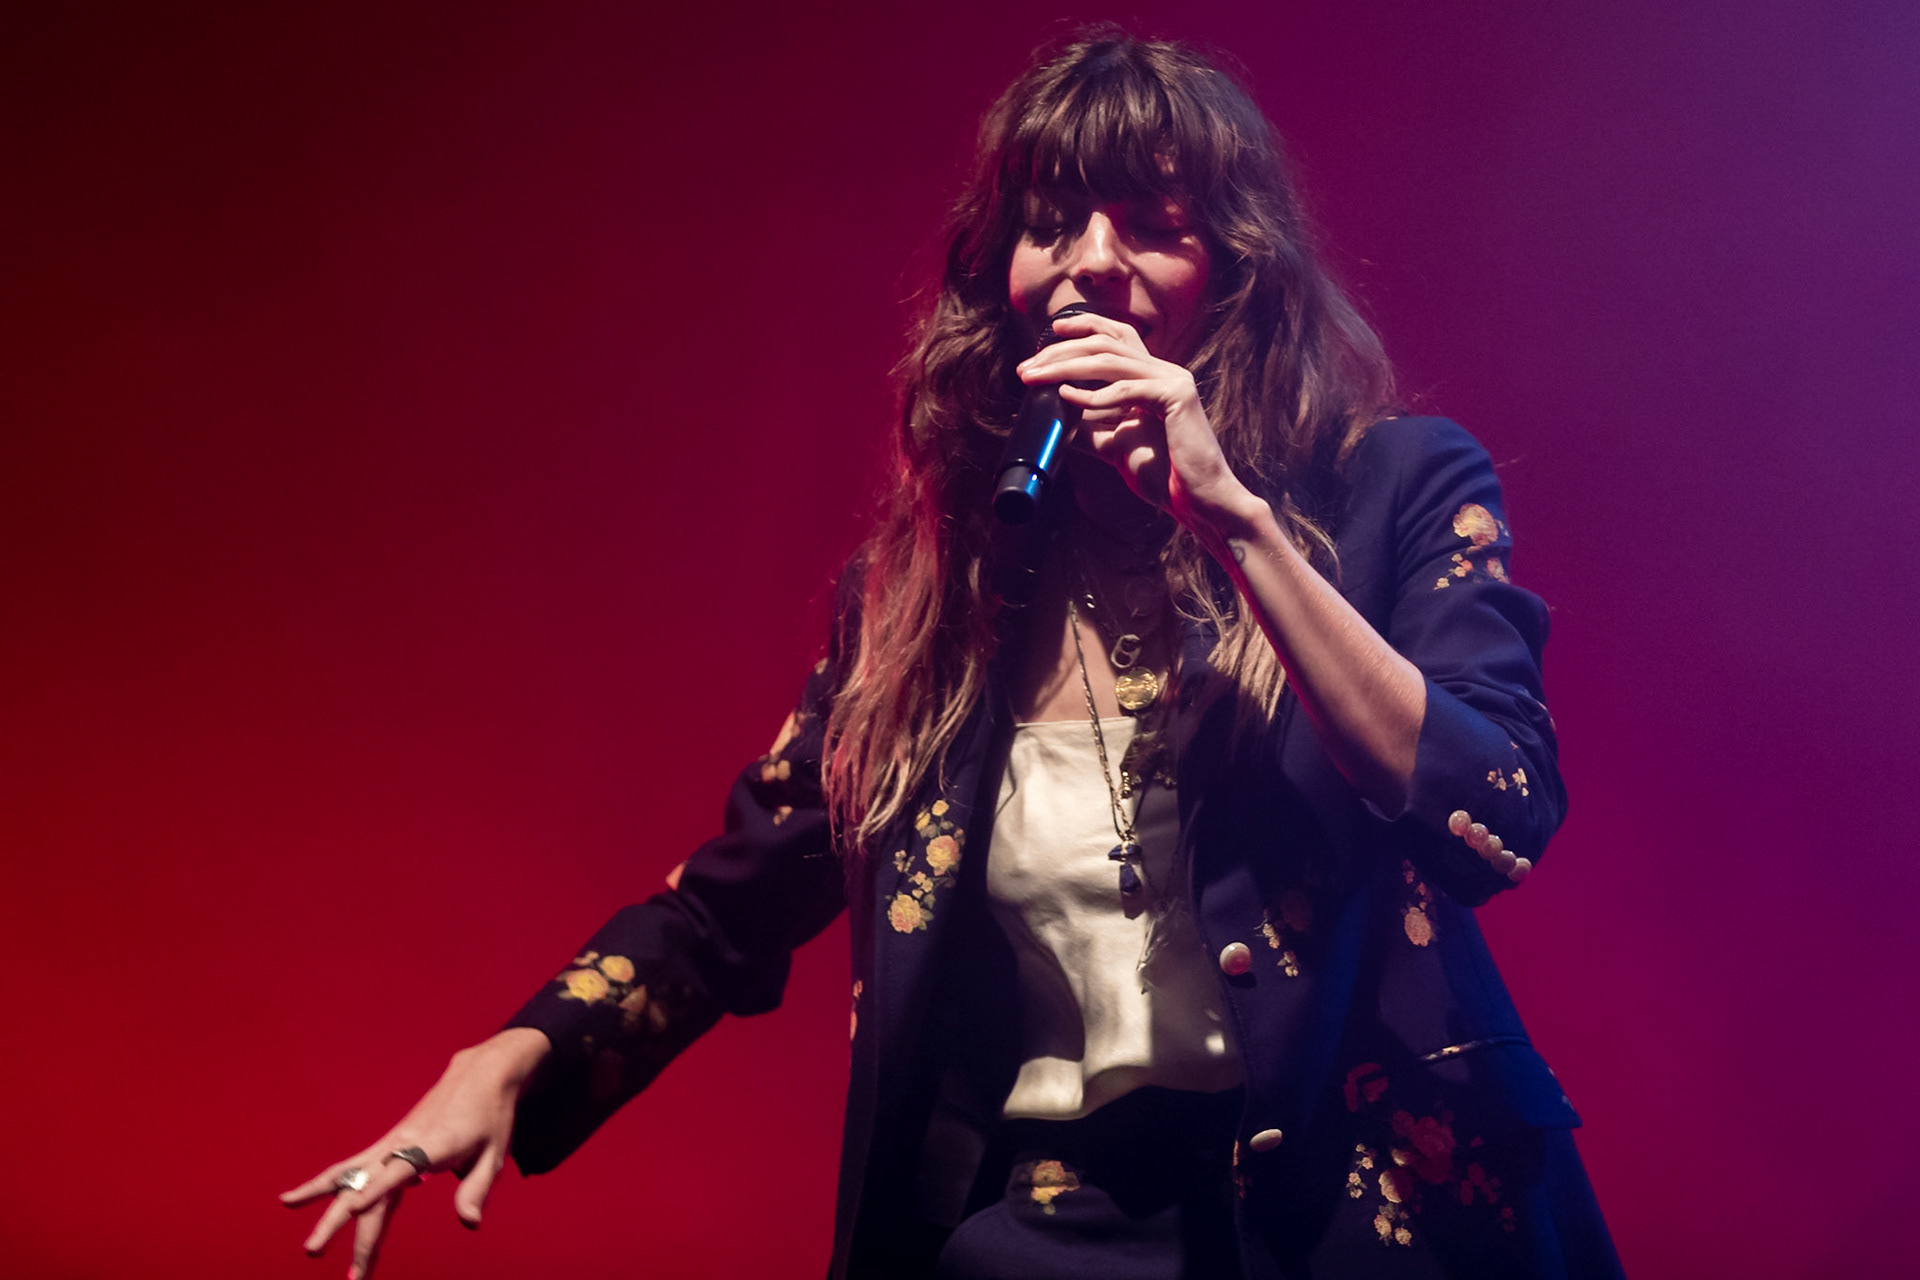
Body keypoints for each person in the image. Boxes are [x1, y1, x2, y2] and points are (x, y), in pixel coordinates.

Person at [283, 29, 1623, 1280]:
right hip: (1052, 1223)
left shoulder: (1386, 492)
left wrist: (1235, 524)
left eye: (1152, 226)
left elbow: (1494, 807)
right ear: (1005, 285)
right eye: (1051, 226)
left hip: (1355, 1215)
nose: (1094, 261)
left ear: (1239, 266)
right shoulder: (936, 594)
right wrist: (517, 1057)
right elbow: (728, 904)